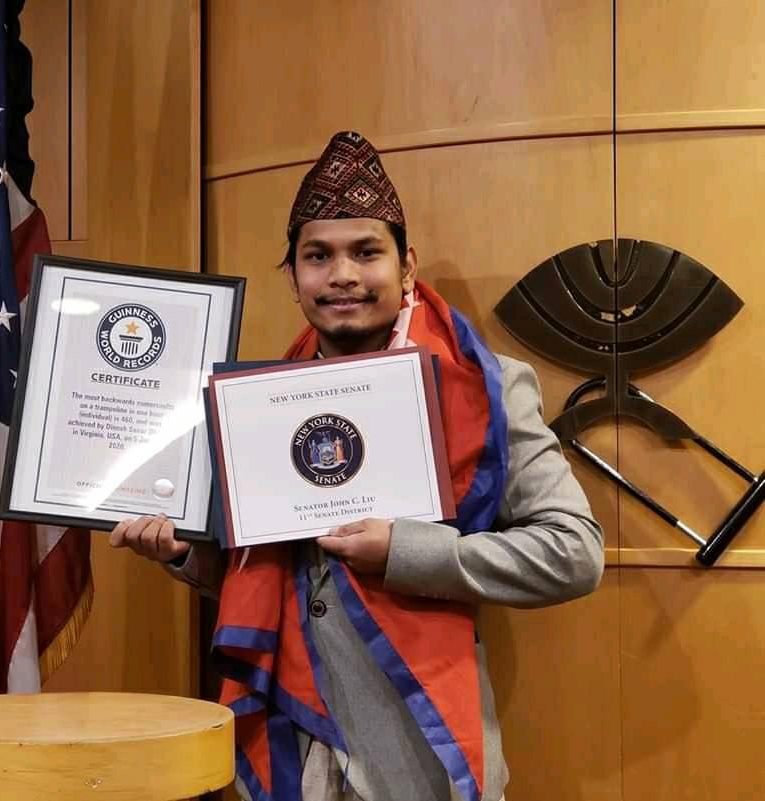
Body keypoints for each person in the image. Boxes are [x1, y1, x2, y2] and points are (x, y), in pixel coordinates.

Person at [110, 130, 604, 801]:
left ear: (407, 267)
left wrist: (405, 550)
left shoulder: (487, 388)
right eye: (318, 256)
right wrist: (183, 554)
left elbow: (573, 553)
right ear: (294, 278)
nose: (342, 274)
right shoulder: (260, 400)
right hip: (290, 747)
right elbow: (262, 574)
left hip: (422, 748)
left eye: (366, 252)